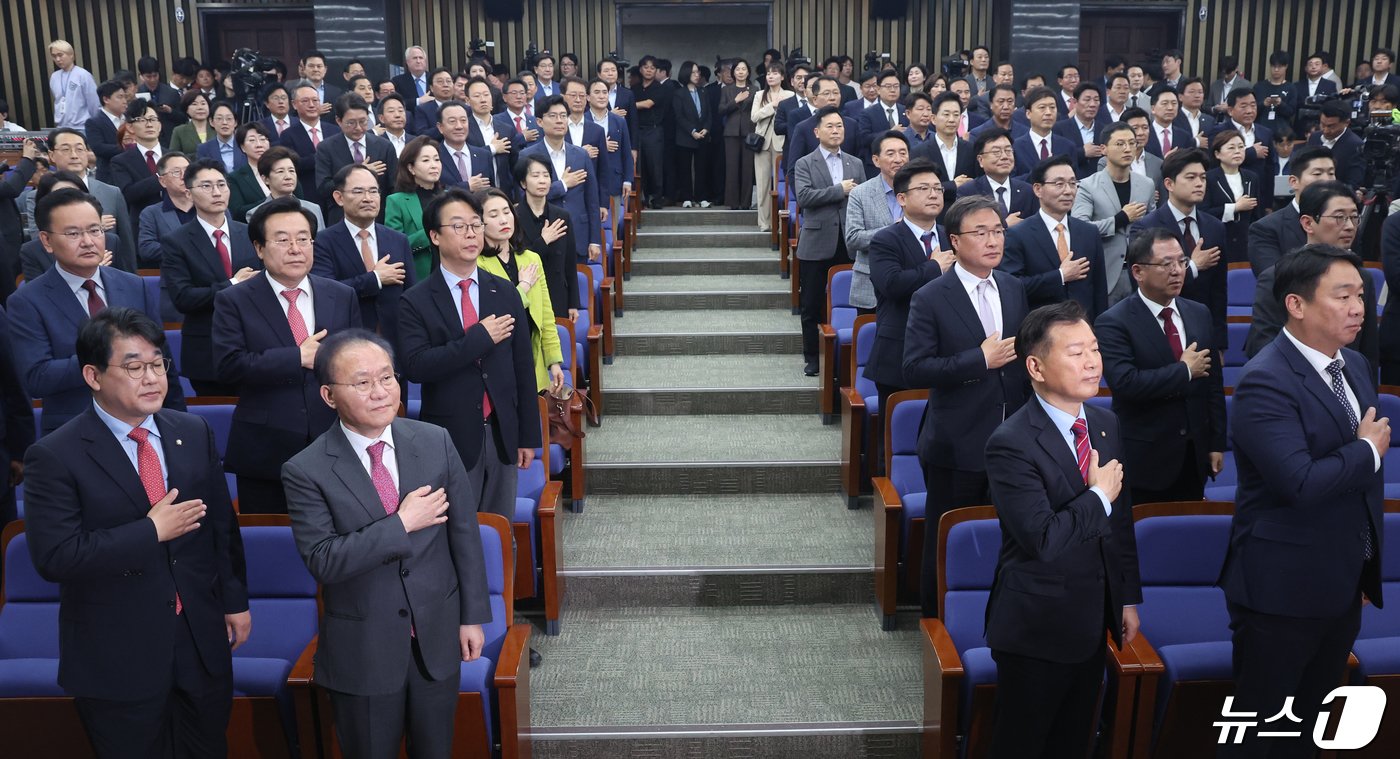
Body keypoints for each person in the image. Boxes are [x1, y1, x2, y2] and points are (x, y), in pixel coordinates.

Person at [23, 306, 249, 758]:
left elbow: (221, 528)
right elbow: (57, 557)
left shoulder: (191, 430)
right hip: (118, 654)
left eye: (158, 364)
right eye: (133, 367)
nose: (152, 378)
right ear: (93, 375)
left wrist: (234, 602)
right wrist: (150, 531)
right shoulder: (55, 455)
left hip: (200, 641)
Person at [280, 327, 490, 758]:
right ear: (328, 395)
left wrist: (472, 616)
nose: (379, 392)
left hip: (436, 637)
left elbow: (464, 534)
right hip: (364, 652)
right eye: (362, 382)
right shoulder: (306, 470)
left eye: (387, 378)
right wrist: (402, 523)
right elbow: (324, 560)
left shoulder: (434, 441)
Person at [1221, 243, 1386, 759]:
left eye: (1361, 295)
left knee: (1314, 729)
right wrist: (1364, 450)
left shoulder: (1355, 365)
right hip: (1280, 587)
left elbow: (1358, 488)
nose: (1359, 307)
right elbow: (1300, 482)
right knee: (1263, 732)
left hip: (1340, 580)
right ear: (1296, 305)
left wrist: (1361, 564)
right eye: (1343, 296)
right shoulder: (1264, 381)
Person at [982, 299, 1140, 759]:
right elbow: (1044, 539)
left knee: (1074, 742)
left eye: (1094, 349)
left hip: (1093, 619)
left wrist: (1126, 596)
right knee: (1023, 745)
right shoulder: (1010, 443)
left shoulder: (1105, 423)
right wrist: (1098, 497)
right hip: (1037, 625)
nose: (1092, 361)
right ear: (1035, 366)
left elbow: (1121, 523)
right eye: (1075, 352)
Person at [904, 195, 1030, 617]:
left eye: (998, 231)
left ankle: (994, 619)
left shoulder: (1012, 287)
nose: (993, 240)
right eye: (981, 233)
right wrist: (979, 359)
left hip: (1013, 440)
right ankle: (936, 626)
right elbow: (915, 368)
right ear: (954, 241)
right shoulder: (931, 296)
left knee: (1007, 537)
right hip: (957, 443)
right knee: (948, 537)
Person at [397, 188, 542, 521]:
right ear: (434, 235)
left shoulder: (504, 289)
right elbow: (416, 366)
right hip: (451, 437)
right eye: (459, 226)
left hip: (503, 433)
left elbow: (522, 367)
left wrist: (527, 436)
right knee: (459, 535)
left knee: (500, 530)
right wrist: (477, 339)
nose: (471, 234)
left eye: (476, 225)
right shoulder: (416, 300)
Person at [213, 196, 360, 513]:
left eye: (303, 239)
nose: (296, 248)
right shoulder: (233, 300)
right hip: (266, 449)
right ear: (259, 248)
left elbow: (357, 362)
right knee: (273, 547)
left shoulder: (341, 295)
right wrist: (297, 357)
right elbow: (228, 366)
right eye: (282, 240)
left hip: (335, 443)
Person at [11, 187, 186, 436]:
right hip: (74, 432)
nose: (88, 241)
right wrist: (107, 358)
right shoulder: (27, 301)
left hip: (144, 426)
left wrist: (177, 421)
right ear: (46, 241)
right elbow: (37, 377)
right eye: (73, 233)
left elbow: (161, 358)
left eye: (95, 230)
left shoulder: (134, 286)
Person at [1095, 228, 1226, 504]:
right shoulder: (1113, 322)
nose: (1177, 271)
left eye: (1182, 262)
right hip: (1146, 458)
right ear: (1138, 272)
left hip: (1194, 453)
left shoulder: (1198, 313)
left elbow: (1212, 384)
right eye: (1167, 264)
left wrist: (1216, 443)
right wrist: (1184, 371)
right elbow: (1126, 384)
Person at [1246, 181, 1378, 367]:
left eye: (1354, 217)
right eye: (1339, 217)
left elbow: (1368, 351)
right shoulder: (1277, 276)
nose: (1349, 226)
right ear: (1308, 223)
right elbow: (1263, 345)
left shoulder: (1362, 277)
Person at [161, 159, 261, 396]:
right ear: (189, 193)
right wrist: (233, 284)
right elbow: (183, 298)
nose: (217, 192)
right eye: (206, 186)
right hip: (207, 351)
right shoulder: (176, 242)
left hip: (255, 347)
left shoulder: (250, 233)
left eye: (221, 185)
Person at [864, 158, 953, 406]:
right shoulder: (886, 240)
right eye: (923, 189)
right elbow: (892, 285)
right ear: (901, 199)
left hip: (949, 352)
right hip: (899, 352)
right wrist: (935, 267)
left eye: (938, 189)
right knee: (896, 438)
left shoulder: (952, 236)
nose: (933, 195)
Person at [1130, 148, 1228, 348]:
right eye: (1190, 177)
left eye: (1202, 177)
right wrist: (1192, 267)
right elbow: (1142, 285)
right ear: (1169, 184)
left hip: (1203, 331)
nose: (1199, 183)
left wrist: (1220, 343)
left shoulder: (1214, 226)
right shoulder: (1146, 227)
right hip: (1161, 329)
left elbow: (1219, 291)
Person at [793, 106, 865, 376]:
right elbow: (804, 198)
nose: (836, 131)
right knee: (811, 304)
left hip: (848, 241)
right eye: (830, 126)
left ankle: (849, 359)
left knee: (852, 302)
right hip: (816, 241)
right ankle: (812, 357)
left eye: (840, 126)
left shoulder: (855, 163)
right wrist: (839, 190)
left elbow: (863, 198)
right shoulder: (804, 163)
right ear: (817, 131)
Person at [313, 164, 416, 348]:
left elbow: (411, 294)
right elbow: (326, 293)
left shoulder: (398, 240)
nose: (368, 198)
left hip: (395, 343)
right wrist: (374, 278)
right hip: (348, 341)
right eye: (358, 191)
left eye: (373, 191)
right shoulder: (323, 241)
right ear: (339, 197)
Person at [478, 188, 566, 394]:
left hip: (532, 358)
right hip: (499, 361)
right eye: (493, 215)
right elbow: (498, 313)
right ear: (479, 223)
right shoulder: (478, 265)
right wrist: (523, 287)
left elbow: (545, 314)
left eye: (507, 212)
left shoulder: (531, 258)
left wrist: (554, 361)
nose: (503, 220)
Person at [1002, 154, 1109, 320]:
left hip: (1084, 327)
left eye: (1073, 183)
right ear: (1038, 189)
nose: (1068, 191)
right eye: (1059, 184)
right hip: (1042, 328)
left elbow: (1099, 289)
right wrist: (1060, 276)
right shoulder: (1018, 234)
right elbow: (1013, 287)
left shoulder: (1089, 232)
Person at [1072, 122, 1156, 306]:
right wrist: (1121, 219)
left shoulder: (1147, 184)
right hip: (1106, 272)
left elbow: (1153, 226)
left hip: (1141, 271)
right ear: (1104, 149)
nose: (1127, 149)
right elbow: (1080, 228)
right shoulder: (1087, 186)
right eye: (1120, 144)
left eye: (1132, 143)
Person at [37, 128, 138, 273]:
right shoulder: (41, 194)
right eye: (66, 149)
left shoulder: (112, 192)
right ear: (51, 155)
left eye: (80, 149)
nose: (74, 155)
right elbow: (39, 243)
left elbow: (127, 247)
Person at [521, 96, 601, 266]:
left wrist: (595, 240)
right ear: (540, 122)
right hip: (542, 234)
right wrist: (562, 185)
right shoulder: (527, 156)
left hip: (578, 235)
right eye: (553, 116)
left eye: (564, 116)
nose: (559, 121)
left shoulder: (581, 155)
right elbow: (522, 197)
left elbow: (592, 200)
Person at [845, 131, 911, 314]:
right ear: (876, 160)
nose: (898, 159)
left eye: (903, 153)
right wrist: (895, 229)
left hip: (915, 283)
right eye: (890, 154)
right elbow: (853, 238)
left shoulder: (920, 191)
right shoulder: (861, 193)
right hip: (871, 286)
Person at [1246, 145, 1335, 276]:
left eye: (1331, 173)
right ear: (1294, 181)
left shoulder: (1345, 223)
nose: (1327, 180)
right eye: (1317, 173)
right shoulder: (1265, 229)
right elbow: (1273, 278)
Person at [21, 171, 122, 282]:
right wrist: (91, 274)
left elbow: (125, 284)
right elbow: (37, 294)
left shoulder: (111, 241)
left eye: (76, 195)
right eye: (73, 234)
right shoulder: (32, 250)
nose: (88, 242)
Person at [314, 94, 398, 226]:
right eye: (351, 123)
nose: (358, 127)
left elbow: (394, 187)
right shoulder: (326, 148)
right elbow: (323, 188)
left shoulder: (384, 146)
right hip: (341, 219)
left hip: (378, 219)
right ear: (338, 121)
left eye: (363, 121)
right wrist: (359, 171)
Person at [515, 155, 580, 321]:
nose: (542, 180)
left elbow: (570, 263)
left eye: (546, 175)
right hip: (529, 292)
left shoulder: (561, 215)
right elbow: (518, 259)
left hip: (558, 294)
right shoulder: (513, 216)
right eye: (535, 176)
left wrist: (573, 303)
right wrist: (543, 242)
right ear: (523, 183)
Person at [385, 136, 444, 280]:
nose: (434, 165)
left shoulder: (450, 198)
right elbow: (394, 246)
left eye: (436, 159)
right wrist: (431, 232)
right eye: (426, 160)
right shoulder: (397, 200)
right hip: (421, 276)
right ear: (411, 168)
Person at [1203, 129, 1264, 265]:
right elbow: (1204, 212)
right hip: (1219, 242)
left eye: (1241, 147)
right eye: (1231, 148)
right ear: (1217, 154)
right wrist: (1235, 207)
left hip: (1246, 242)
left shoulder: (1252, 177)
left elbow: (1257, 215)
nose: (1237, 151)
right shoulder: (1209, 178)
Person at [279, 84, 341, 205]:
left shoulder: (335, 130)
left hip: (335, 195)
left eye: (315, 100)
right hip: (308, 195)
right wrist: (323, 157)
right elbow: (294, 164)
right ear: (294, 104)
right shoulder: (288, 135)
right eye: (305, 101)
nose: (311, 105)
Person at [958, 128, 1037, 224]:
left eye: (1008, 150)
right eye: (996, 152)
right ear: (980, 160)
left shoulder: (1027, 191)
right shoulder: (967, 192)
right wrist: (1005, 225)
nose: (1004, 156)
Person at [587, 77, 635, 235]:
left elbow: (626, 153)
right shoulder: (583, 120)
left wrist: (628, 180)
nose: (601, 96)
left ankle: (613, 257)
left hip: (614, 180)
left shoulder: (619, 121)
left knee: (611, 227)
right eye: (597, 92)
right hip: (588, 179)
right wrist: (601, 146)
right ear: (588, 97)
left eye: (605, 92)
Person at [109, 99, 168, 222]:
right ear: (130, 127)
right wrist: (162, 177)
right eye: (142, 120)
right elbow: (128, 194)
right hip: (143, 223)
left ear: (160, 125)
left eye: (152, 119)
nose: (149, 124)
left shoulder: (175, 157)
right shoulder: (120, 161)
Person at [137, 153, 196, 270]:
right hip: (175, 276)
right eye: (176, 172)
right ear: (162, 181)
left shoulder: (209, 206)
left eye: (187, 171)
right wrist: (187, 250)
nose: (183, 176)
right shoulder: (151, 213)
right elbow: (146, 248)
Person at [751, 63, 793, 227]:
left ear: (782, 77)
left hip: (781, 142)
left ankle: (782, 224)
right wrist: (771, 106)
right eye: (768, 74)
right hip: (762, 143)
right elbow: (754, 117)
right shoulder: (759, 95)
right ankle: (765, 223)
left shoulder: (789, 95)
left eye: (775, 73)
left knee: (781, 185)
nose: (770, 76)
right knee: (762, 184)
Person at [248, 146, 326, 231]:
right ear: (266, 179)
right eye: (280, 171)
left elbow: (320, 242)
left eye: (291, 171)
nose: (288, 177)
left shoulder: (313, 209)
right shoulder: (256, 214)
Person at [719, 59, 759, 210]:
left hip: (750, 131)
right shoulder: (726, 90)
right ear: (733, 72)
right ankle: (733, 202)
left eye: (744, 69)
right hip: (731, 132)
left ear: (748, 72)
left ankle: (746, 202)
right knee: (732, 167)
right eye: (738, 69)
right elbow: (721, 110)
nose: (741, 72)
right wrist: (735, 101)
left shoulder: (755, 89)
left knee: (748, 168)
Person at [672, 62, 713, 210]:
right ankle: (687, 197)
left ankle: (702, 197)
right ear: (686, 73)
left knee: (701, 168)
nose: (697, 75)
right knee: (685, 168)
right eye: (694, 72)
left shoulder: (703, 91)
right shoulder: (679, 93)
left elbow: (709, 114)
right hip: (685, 136)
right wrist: (692, 131)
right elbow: (679, 116)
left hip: (702, 136)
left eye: (698, 72)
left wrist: (706, 129)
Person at [1011, 87, 1074, 180]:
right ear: (1028, 114)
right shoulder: (1015, 147)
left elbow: (1074, 181)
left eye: (1052, 107)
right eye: (1042, 108)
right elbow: (1011, 182)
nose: (1048, 112)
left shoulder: (1067, 146)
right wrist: (1041, 170)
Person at [1307, 100, 1364, 190]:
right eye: (1322, 124)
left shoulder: (1355, 145)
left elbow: (1353, 183)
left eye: (1331, 126)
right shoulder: (1314, 137)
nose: (1325, 130)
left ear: (1346, 123)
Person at [228, 122, 277, 222]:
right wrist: (272, 199)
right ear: (242, 147)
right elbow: (238, 213)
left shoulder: (284, 170)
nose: (259, 145)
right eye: (252, 140)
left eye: (263, 139)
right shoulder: (235, 178)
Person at [85, 80, 130, 183]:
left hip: (132, 172)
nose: (124, 101)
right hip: (109, 175)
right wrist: (128, 148)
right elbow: (99, 148)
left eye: (125, 97)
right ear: (106, 99)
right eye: (120, 97)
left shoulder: (130, 119)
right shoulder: (94, 122)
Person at [48, 39, 100, 129]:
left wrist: (96, 126)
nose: (57, 59)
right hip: (61, 127)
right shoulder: (54, 77)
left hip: (82, 127)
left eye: (60, 55)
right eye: (54, 56)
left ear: (71, 55)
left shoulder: (83, 75)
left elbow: (94, 103)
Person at [194, 102, 245, 174]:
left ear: (235, 122)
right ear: (211, 122)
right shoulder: (203, 149)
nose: (224, 122)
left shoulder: (245, 145)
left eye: (229, 118)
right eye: (219, 118)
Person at [390, 45, 433, 115]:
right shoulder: (398, 81)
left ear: (425, 61)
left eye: (421, 58)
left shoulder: (434, 78)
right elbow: (397, 103)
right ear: (407, 62)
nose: (418, 61)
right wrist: (418, 101)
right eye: (415, 58)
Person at [168, 90, 213, 156]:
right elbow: (173, 156)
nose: (200, 108)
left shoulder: (217, 128)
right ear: (186, 109)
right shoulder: (179, 131)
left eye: (203, 103)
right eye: (194, 104)